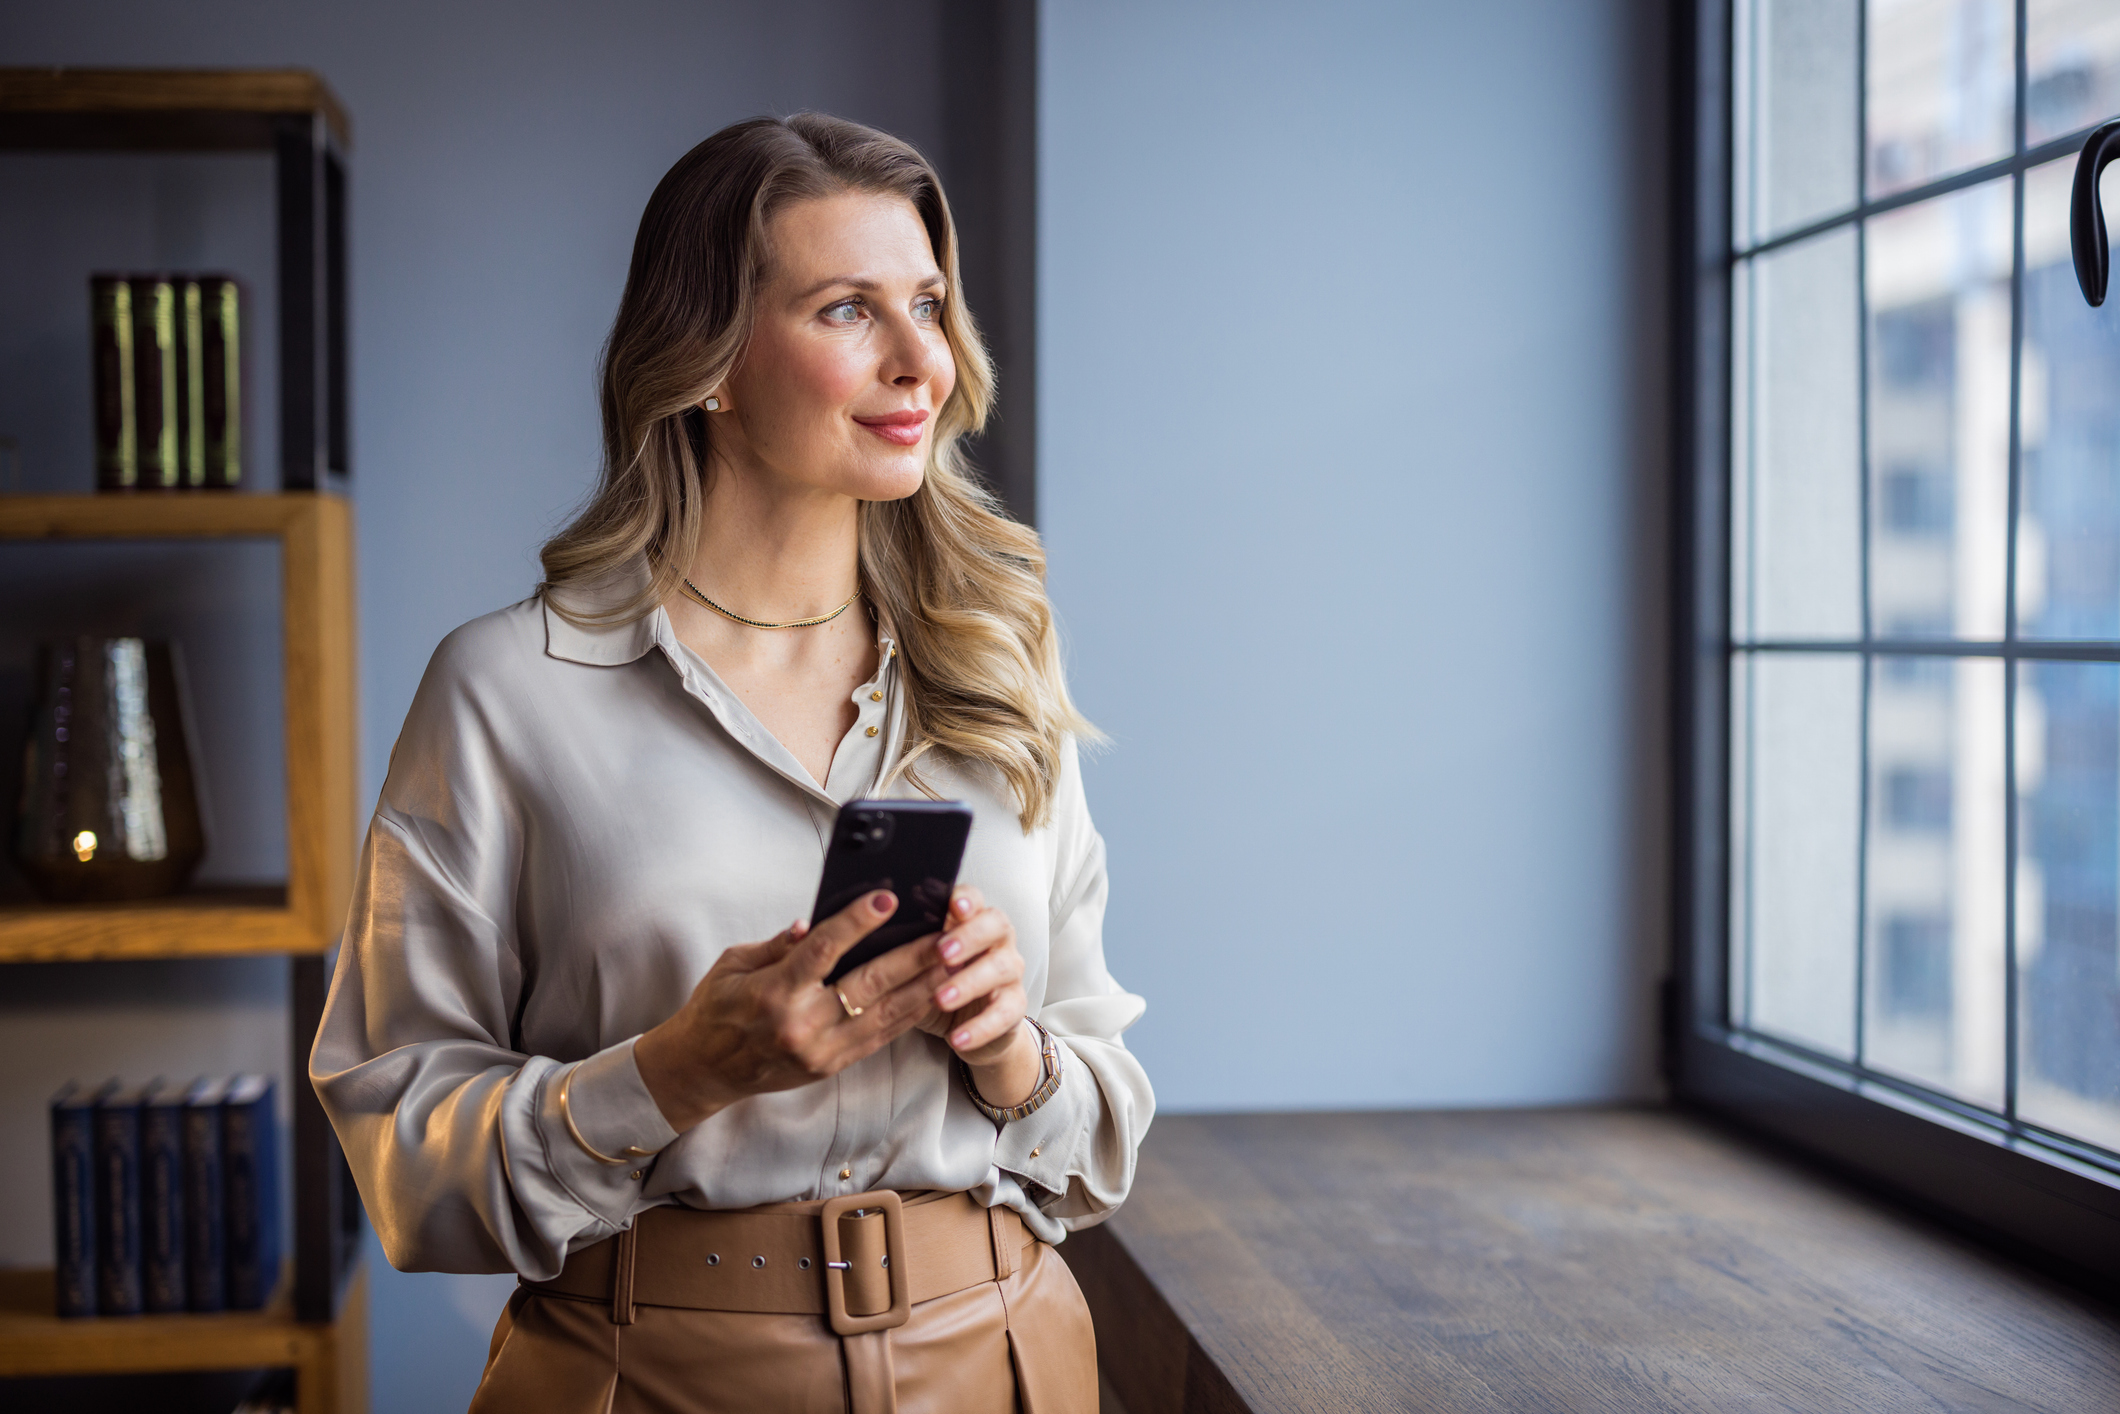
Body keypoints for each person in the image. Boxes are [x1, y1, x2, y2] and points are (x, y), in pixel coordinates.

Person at [310, 113, 1152, 1414]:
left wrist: (1013, 1052)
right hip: (644, 1374)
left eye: (929, 304)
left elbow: (1104, 1129)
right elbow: (403, 1159)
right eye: (847, 310)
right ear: (708, 361)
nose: (921, 359)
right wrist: (674, 1073)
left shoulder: (1000, 665)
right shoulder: (506, 691)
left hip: (1004, 1359)